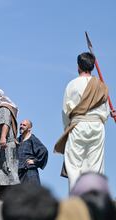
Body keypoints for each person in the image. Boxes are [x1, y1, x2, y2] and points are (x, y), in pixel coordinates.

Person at [54, 52, 110, 190]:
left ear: (78, 66)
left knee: (74, 166)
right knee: (95, 166)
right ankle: (95, 199)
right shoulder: (101, 86)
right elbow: (106, 111)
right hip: (97, 126)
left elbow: (65, 111)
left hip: (77, 125)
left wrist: (67, 128)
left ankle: (76, 201)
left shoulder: (72, 85)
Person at [0, 88, 20, 199]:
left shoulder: (2, 108)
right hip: (0, 145)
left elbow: (5, 123)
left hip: (4, 145)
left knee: (8, 172)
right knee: (2, 175)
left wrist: (2, 138)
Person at [17, 119, 48, 185]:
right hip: (20, 174)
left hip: (29, 173)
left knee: (32, 194)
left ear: (29, 129)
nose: (21, 126)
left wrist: (35, 161)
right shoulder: (18, 140)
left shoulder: (32, 139)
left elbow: (44, 151)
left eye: (24, 125)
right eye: (21, 124)